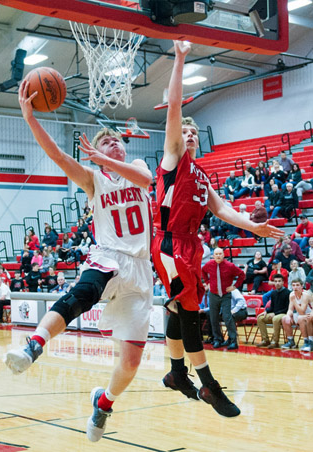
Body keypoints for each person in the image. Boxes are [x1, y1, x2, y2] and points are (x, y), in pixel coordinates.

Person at [5, 78, 153, 443]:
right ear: (96, 153)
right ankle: (32, 346)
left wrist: (103, 154)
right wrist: (29, 117)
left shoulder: (136, 167)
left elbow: (147, 180)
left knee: (131, 362)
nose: (113, 143)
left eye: (116, 140)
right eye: (105, 142)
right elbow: (57, 155)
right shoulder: (92, 180)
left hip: (140, 271)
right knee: (84, 292)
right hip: (107, 256)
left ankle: (103, 403)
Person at [151, 40, 283, 418]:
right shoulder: (173, 157)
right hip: (169, 242)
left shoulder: (203, 175)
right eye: (185, 133)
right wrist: (179, 58)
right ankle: (208, 384)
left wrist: (253, 229)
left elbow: (222, 208)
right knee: (189, 311)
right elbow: (175, 106)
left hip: (192, 245)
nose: (189, 136)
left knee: (180, 309)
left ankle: (177, 373)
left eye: (194, 134)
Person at [202, 248, 245, 350]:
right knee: (213, 317)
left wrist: (235, 286)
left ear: (223, 255)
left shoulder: (230, 266)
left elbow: (242, 275)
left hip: (225, 295)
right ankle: (217, 339)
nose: (218, 256)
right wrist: (208, 282)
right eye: (216, 254)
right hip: (213, 294)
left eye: (220, 254)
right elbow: (202, 271)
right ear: (213, 255)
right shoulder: (209, 264)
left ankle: (233, 341)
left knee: (227, 317)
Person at [256, 274, 290, 349]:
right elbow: (272, 307)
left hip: (284, 314)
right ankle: (265, 340)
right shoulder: (273, 293)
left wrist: (275, 313)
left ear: (283, 282)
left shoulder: (288, 293)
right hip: (275, 313)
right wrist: (266, 311)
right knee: (260, 318)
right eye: (275, 281)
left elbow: (287, 308)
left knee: (275, 319)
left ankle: (275, 341)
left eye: (279, 281)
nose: (277, 283)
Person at [281, 279, 312, 351]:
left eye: (297, 285)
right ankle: (291, 341)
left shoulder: (305, 295)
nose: (295, 287)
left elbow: (302, 312)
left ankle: (306, 341)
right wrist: (288, 316)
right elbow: (290, 309)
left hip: (309, 314)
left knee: (300, 318)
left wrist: (294, 301)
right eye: (293, 285)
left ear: (302, 286)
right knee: (284, 318)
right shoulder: (291, 294)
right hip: (300, 315)